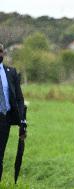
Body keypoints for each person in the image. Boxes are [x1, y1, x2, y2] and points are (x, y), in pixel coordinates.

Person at [0, 43, 26, 181]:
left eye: (1, 51)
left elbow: (19, 98)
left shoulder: (11, 72)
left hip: (4, 120)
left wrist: (22, 120)